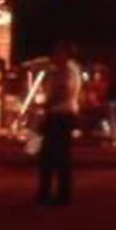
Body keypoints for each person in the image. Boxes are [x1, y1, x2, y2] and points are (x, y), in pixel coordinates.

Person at [37, 43, 81, 205]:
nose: (54, 56)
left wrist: (46, 104)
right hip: (58, 115)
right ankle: (50, 193)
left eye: (57, 53)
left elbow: (63, 91)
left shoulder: (67, 71)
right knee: (52, 157)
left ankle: (58, 195)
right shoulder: (60, 71)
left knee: (56, 157)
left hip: (61, 116)